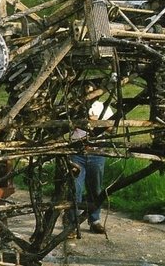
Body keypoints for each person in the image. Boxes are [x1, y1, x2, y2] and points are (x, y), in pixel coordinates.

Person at [69, 99, 113, 235]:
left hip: (97, 152)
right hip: (77, 153)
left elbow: (112, 128)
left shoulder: (102, 107)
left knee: (95, 188)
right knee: (75, 188)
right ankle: (71, 223)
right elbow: (64, 125)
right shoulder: (73, 104)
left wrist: (96, 122)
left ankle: (94, 221)